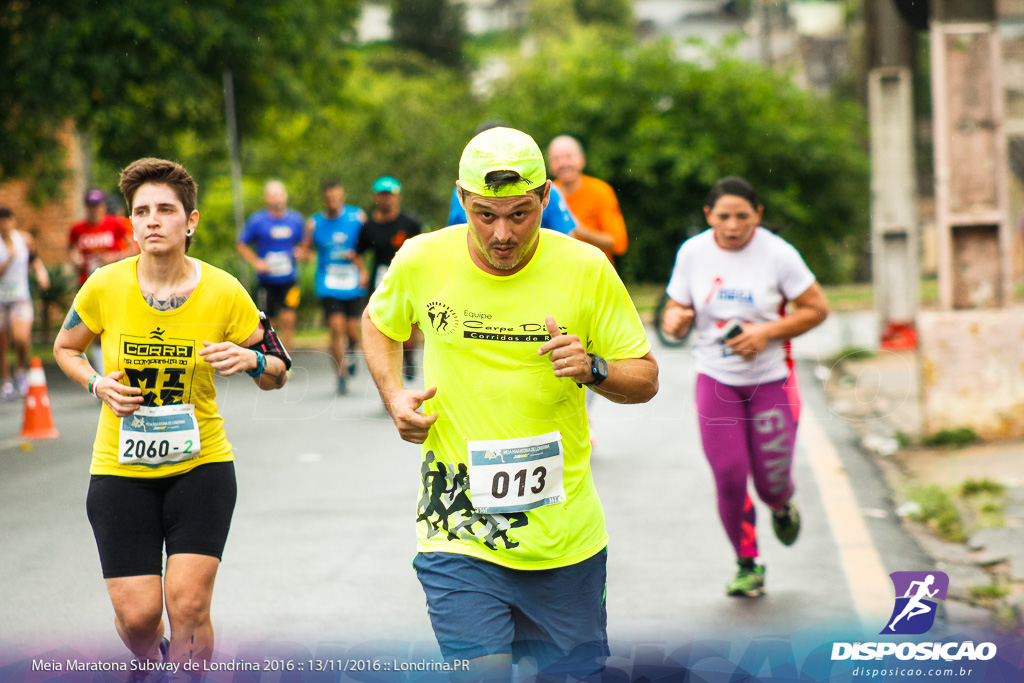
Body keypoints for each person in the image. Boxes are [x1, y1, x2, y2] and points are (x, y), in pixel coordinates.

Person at [362, 127, 658, 681]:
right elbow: (379, 324)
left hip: (563, 542)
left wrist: (594, 368)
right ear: (462, 199)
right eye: (485, 215)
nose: (502, 234)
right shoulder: (423, 258)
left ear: (546, 197)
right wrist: (394, 395)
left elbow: (644, 378)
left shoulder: (587, 268)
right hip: (457, 529)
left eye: (521, 214)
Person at [53, 158, 291, 673]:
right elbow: (66, 347)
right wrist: (96, 383)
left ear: (192, 221)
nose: (153, 221)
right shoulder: (104, 285)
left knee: (188, 606)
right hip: (120, 470)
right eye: (142, 212)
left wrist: (251, 360)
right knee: (138, 618)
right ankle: (152, 657)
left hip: (201, 466)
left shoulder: (224, 290)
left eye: (166, 209)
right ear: (131, 223)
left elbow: (280, 369)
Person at [661, 176, 829, 597]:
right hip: (716, 381)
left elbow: (817, 309)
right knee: (730, 476)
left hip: (771, 381)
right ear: (708, 216)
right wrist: (674, 319)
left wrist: (767, 332)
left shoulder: (779, 254)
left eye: (742, 216)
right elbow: (675, 308)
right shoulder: (693, 252)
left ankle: (781, 504)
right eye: (723, 217)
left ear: (758, 215)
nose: (733, 226)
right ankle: (747, 562)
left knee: (771, 481)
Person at [447, 124, 578, 237]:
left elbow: (567, 240)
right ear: (461, 195)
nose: (502, 236)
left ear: (545, 194)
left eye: (518, 214)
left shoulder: (546, 190)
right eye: (486, 214)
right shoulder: (467, 190)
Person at [303, 179, 368, 395]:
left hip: (352, 281)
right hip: (328, 282)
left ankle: (350, 352)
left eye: (337, 198)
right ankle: (340, 374)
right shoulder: (314, 223)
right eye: (329, 199)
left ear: (342, 197)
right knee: (335, 328)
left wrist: (361, 265)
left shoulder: (356, 217)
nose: (333, 202)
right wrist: (299, 254)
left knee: (352, 330)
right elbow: (305, 249)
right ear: (324, 199)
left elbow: (367, 244)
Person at [357, 176, 422, 380]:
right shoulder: (369, 227)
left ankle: (409, 357)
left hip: (406, 279)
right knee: (383, 327)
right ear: (376, 197)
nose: (386, 200)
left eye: (390, 195)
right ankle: (390, 377)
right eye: (382, 195)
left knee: (409, 329)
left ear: (398, 197)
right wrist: (362, 272)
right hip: (380, 281)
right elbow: (357, 252)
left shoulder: (410, 223)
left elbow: (421, 250)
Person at [237, 180, 304, 351]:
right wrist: (256, 262)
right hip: (266, 281)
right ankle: (272, 355)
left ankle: (286, 358)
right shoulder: (258, 221)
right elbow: (241, 245)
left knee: (289, 319)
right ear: (267, 199)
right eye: (272, 196)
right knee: (269, 322)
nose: (276, 199)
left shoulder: (296, 220)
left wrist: (301, 253)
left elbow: (305, 247)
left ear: (285, 197)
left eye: (279, 195)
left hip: (290, 279)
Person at [546, 135, 628, 268]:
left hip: (596, 272)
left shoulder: (600, 191)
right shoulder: (547, 195)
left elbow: (619, 243)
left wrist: (579, 230)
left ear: (582, 160)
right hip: (559, 272)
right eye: (556, 159)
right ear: (550, 165)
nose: (563, 164)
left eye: (568, 157)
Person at [0, 207, 50, 399]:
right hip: (1, 301)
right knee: (2, 344)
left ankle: (21, 372)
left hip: (20, 298)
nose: (4, 225)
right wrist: (10, 257)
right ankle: (6, 381)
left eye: (7, 220)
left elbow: (34, 259)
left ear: (13, 222)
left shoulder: (24, 240)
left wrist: (41, 272)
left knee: (21, 339)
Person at [68, 188, 138, 286]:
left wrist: (115, 256)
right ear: (85, 208)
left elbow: (134, 249)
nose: (94, 210)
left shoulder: (115, 223)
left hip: (113, 279)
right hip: (87, 281)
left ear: (103, 206)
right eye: (91, 206)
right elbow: (71, 249)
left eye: (97, 206)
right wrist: (76, 259)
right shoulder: (77, 228)